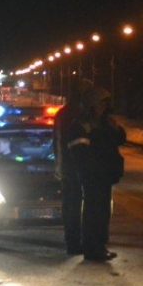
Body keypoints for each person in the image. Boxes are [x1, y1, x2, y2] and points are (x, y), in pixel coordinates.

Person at [63, 85, 126, 262]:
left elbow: (121, 139)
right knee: (94, 212)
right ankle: (93, 248)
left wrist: (115, 127)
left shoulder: (104, 123)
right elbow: (80, 152)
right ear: (92, 105)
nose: (103, 109)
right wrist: (93, 171)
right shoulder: (82, 125)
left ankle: (99, 245)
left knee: (103, 212)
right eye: (101, 105)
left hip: (105, 176)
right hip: (93, 177)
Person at [55, 78, 94, 255]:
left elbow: (56, 143)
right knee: (76, 206)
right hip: (77, 169)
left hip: (68, 168)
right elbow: (75, 144)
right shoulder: (79, 115)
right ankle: (76, 241)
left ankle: (72, 240)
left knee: (71, 205)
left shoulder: (63, 114)